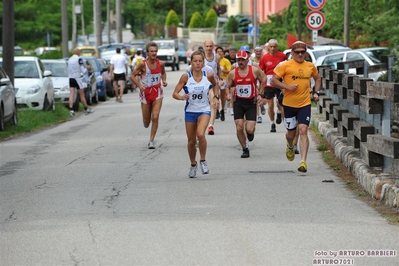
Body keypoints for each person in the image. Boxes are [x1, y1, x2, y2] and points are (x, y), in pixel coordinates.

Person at [271, 40, 321, 173]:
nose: (300, 54)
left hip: (305, 103)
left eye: (302, 52)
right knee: (290, 135)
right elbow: (273, 80)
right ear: (292, 53)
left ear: (306, 53)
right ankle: (289, 146)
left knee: (303, 130)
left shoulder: (310, 66)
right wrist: (287, 87)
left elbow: (318, 78)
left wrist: (316, 92)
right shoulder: (285, 65)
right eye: (297, 52)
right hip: (289, 104)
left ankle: (303, 161)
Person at [172, 51, 220, 178]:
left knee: (200, 134)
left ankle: (203, 160)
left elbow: (215, 86)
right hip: (190, 111)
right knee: (191, 141)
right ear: (191, 63)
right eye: (195, 61)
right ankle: (193, 164)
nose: (198, 63)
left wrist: (215, 97)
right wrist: (181, 97)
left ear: (203, 63)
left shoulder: (208, 75)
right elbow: (174, 93)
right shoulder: (186, 77)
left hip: (204, 109)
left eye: (200, 61)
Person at [226, 50, 267, 158]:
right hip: (239, 102)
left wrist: (260, 94)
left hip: (251, 103)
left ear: (247, 60)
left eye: (242, 60)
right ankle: (245, 148)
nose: (240, 62)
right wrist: (228, 94)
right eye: (238, 60)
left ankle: (250, 133)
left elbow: (264, 79)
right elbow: (227, 86)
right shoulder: (232, 73)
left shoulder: (254, 70)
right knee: (239, 127)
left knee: (249, 129)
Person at [130, 41, 167, 149]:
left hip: (157, 92)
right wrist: (139, 85)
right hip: (145, 93)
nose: (154, 53)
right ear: (147, 52)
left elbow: (163, 73)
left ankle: (151, 140)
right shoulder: (142, 64)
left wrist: (164, 80)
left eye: (155, 51)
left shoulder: (161, 64)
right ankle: (147, 121)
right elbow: (132, 76)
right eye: (151, 51)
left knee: (155, 116)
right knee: (146, 122)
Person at [259, 39, 287, 132]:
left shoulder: (282, 56)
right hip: (268, 83)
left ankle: (279, 112)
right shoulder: (264, 58)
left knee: (280, 102)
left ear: (277, 47)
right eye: (271, 47)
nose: (272, 48)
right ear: (268, 47)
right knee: (270, 105)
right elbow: (261, 72)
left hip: (279, 81)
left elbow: (286, 68)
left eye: (274, 46)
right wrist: (261, 84)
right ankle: (272, 123)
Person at [68, 47, 94, 116]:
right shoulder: (79, 59)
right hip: (77, 78)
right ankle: (86, 109)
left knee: (71, 94)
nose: (80, 52)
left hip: (71, 78)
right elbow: (83, 71)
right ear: (78, 52)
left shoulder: (70, 59)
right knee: (82, 94)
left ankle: (71, 110)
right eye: (80, 51)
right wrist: (87, 68)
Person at [203, 40, 221, 135]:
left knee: (213, 102)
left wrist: (220, 78)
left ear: (213, 46)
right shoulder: (201, 57)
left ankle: (211, 126)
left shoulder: (217, 57)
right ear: (204, 47)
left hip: (213, 84)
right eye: (207, 46)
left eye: (210, 46)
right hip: (203, 84)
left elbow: (218, 69)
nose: (209, 48)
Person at [216, 46, 232, 122]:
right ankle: (216, 109)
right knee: (216, 94)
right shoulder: (214, 60)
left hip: (224, 79)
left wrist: (223, 70)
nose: (219, 53)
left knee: (222, 96)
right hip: (216, 80)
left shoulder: (226, 61)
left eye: (220, 52)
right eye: (218, 52)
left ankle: (222, 109)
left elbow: (229, 71)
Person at [251, 45, 266, 123]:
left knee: (261, 96)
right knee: (256, 97)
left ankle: (261, 105)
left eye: (259, 51)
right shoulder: (251, 60)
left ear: (262, 51)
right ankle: (258, 115)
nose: (258, 53)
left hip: (263, 79)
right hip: (256, 79)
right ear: (254, 51)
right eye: (256, 51)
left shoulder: (264, 59)